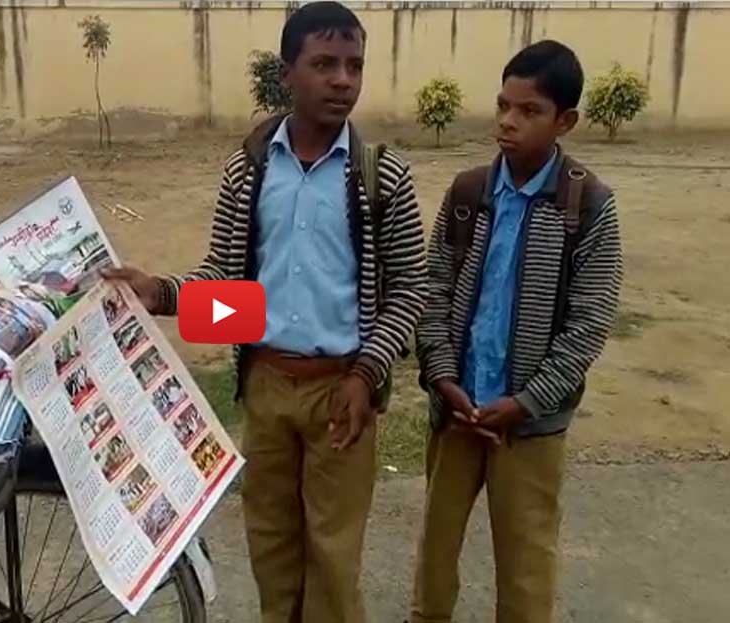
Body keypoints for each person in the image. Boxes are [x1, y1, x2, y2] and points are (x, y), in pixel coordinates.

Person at [104, 3, 428, 621]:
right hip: (267, 388)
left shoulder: (381, 174)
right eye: (324, 64)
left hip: (343, 392)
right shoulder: (250, 167)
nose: (343, 80)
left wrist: (367, 374)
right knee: (272, 550)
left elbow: (410, 286)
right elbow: (227, 286)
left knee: (332, 559)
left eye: (354, 66)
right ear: (288, 74)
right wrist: (160, 293)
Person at [411, 40, 624, 623]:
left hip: (528, 428)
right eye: (503, 104)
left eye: (528, 111)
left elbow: (589, 323)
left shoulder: (588, 206)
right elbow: (432, 293)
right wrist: (442, 376)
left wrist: (528, 401)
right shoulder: (467, 194)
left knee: (527, 570)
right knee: (434, 557)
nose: (508, 121)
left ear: (566, 121)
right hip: (456, 413)